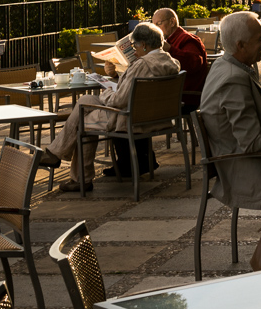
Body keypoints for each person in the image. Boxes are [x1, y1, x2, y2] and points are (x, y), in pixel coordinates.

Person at [40, 22, 180, 190]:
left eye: (135, 45)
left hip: (126, 119)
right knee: (85, 101)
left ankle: (76, 175)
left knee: (82, 119)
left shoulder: (142, 65)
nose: (134, 50)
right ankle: (57, 155)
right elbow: (133, 91)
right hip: (154, 116)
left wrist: (106, 91)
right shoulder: (170, 63)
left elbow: (118, 101)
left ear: (143, 45)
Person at [198, 12, 261, 209]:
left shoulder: (222, 63)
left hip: (245, 160)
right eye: (259, 38)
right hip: (251, 170)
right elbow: (251, 142)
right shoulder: (233, 79)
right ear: (240, 46)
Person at [152, 6, 209, 112]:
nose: (155, 28)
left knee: (139, 102)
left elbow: (194, 63)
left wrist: (169, 49)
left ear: (172, 22)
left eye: (158, 24)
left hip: (185, 97)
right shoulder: (170, 40)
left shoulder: (188, 39)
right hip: (172, 93)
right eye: (153, 25)